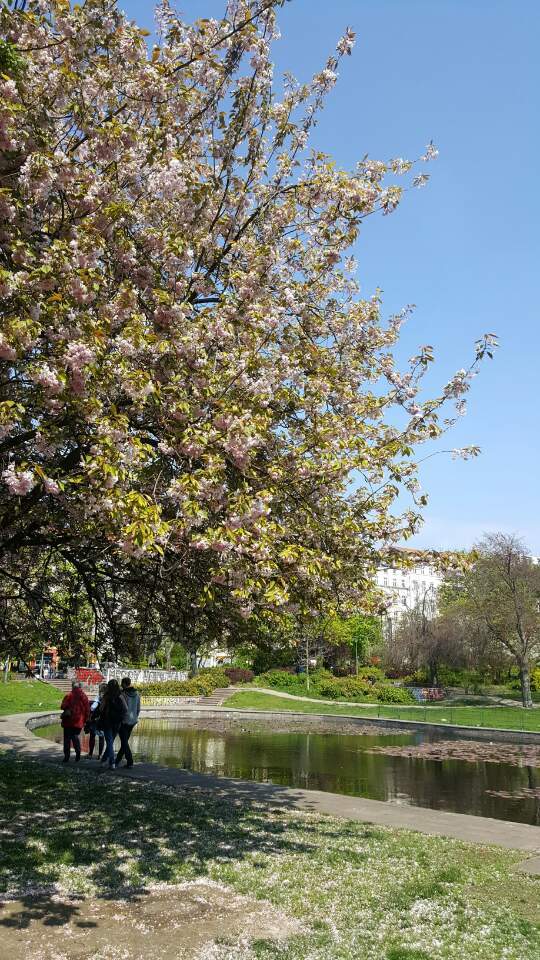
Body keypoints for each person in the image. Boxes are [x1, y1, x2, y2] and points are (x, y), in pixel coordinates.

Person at [99, 678, 127, 769]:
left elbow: (101, 709)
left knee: (109, 743)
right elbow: (125, 709)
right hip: (117, 722)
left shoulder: (106, 696)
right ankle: (104, 760)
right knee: (110, 742)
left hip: (107, 722)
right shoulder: (121, 695)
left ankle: (112, 763)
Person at [60, 681, 90, 763]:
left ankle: (66, 757)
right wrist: (86, 720)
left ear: (72, 687)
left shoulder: (69, 695)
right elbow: (87, 709)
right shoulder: (84, 696)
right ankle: (78, 753)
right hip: (79, 721)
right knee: (75, 737)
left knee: (67, 739)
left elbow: (63, 706)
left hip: (68, 721)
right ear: (80, 687)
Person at [116, 677, 141, 768]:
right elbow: (138, 708)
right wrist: (135, 717)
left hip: (124, 721)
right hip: (133, 721)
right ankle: (117, 761)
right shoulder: (137, 694)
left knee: (124, 742)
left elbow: (122, 708)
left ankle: (130, 762)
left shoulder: (123, 694)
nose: (121, 685)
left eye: (122, 683)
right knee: (125, 741)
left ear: (124, 684)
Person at [86, 682, 106, 759]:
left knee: (92, 736)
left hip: (95, 719)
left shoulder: (98, 697)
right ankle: (100, 755)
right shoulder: (108, 697)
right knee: (101, 737)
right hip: (103, 720)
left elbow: (93, 707)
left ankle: (90, 754)